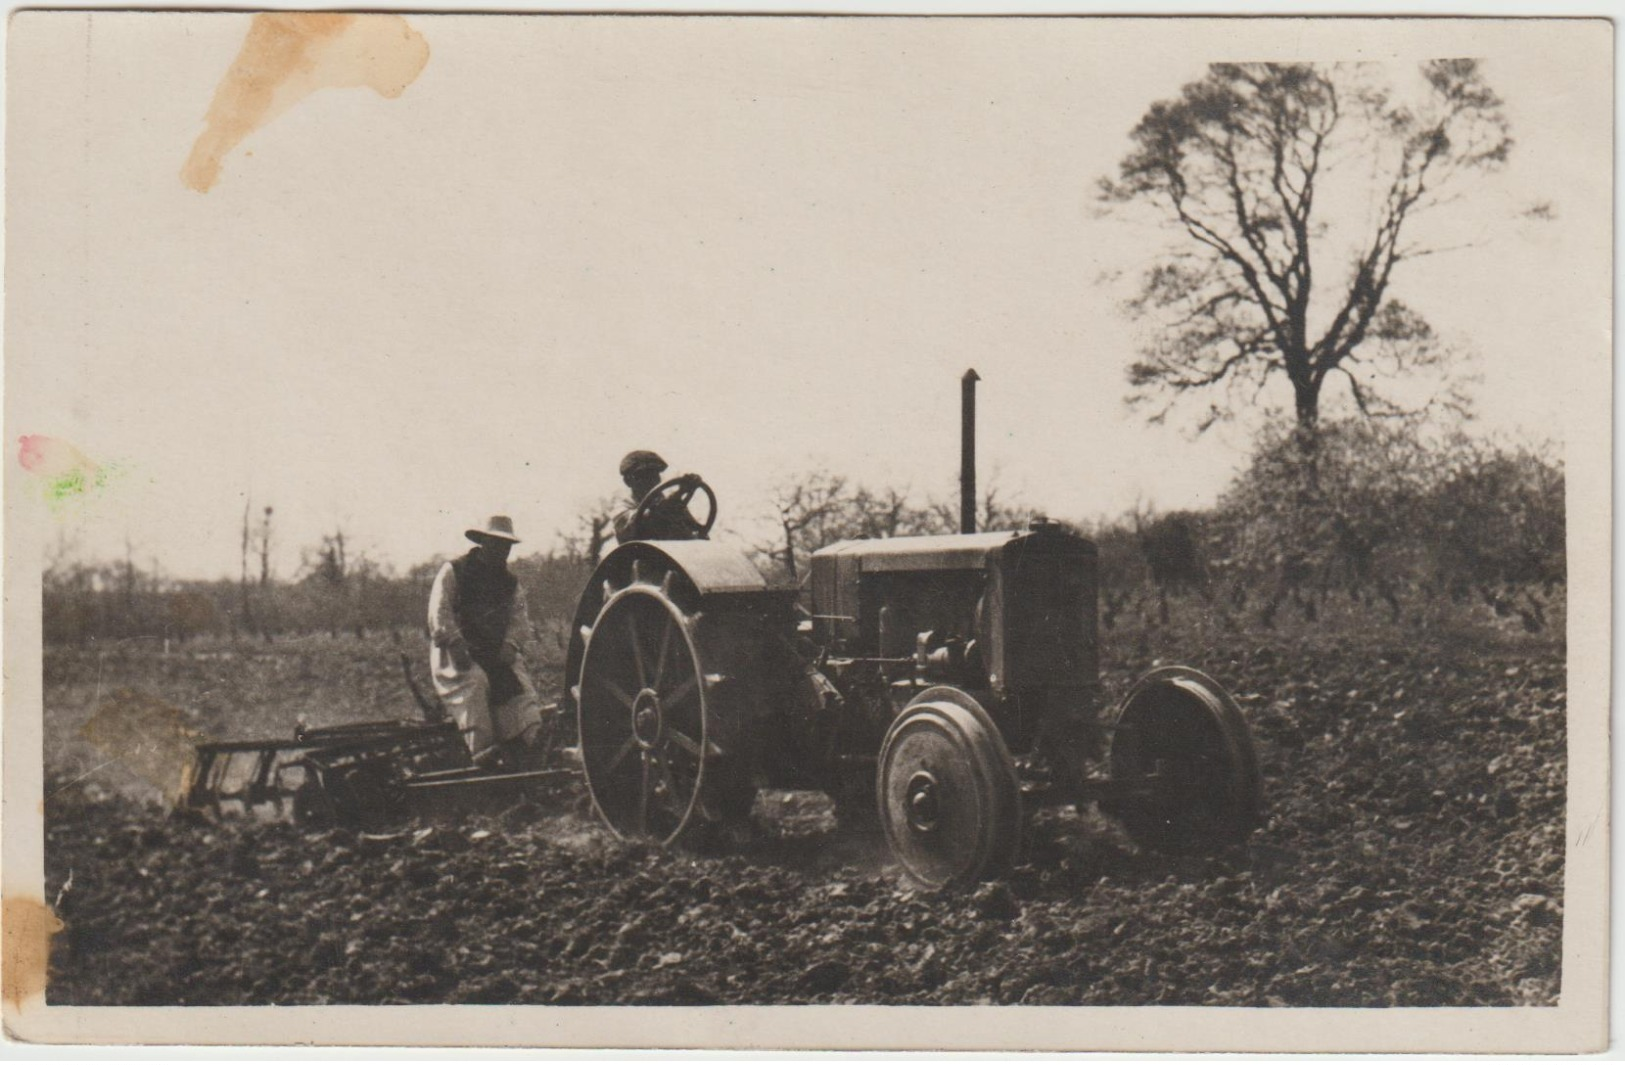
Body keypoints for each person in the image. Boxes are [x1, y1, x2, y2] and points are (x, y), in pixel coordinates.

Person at [427, 515, 548, 768]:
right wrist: (455, 642)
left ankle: (532, 742)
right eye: (496, 543)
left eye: (506, 545)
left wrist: (511, 644)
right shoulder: (455, 571)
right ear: (482, 542)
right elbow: (439, 611)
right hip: (458, 652)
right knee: (475, 683)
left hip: (493, 652)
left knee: (521, 687)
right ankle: (482, 754)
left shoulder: (510, 582)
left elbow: (520, 619)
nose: (501, 550)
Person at [612, 449, 707, 543]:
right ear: (628, 481)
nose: (651, 482)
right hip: (640, 555)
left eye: (654, 475)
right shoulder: (622, 506)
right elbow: (641, 520)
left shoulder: (667, 502)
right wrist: (677, 495)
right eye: (643, 476)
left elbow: (693, 529)